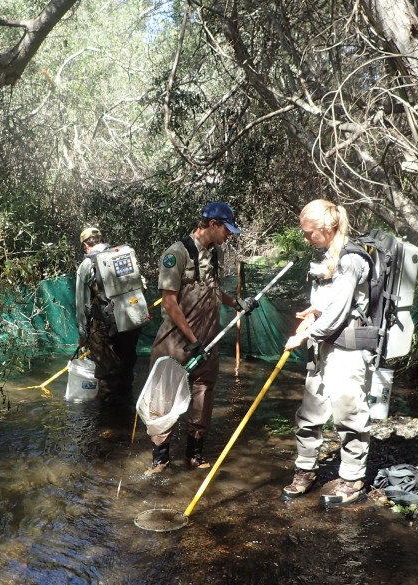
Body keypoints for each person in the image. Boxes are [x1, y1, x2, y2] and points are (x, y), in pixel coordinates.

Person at [145, 201, 258, 474]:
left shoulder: (216, 253)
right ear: (212, 224)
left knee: (203, 394)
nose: (229, 236)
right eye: (226, 230)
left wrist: (236, 303)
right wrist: (191, 339)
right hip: (177, 340)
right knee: (165, 397)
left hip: (209, 340)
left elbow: (214, 292)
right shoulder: (176, 253)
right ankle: (161, 457)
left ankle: (194, 453)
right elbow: (169, 303)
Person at [281, 199, 376, 508]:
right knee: (309, 413)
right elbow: (329, 301)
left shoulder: (352, 259)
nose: (306, 238)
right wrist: (314, 310)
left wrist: (305, 335)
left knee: (349, 415)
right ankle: (305, 472)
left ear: (326, 228)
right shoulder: (329, 257)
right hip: (323, 348)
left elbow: (338, 312)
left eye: (309, 233)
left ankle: (351, 480)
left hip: (346, 350)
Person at [75, 226, 143, 406]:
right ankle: (126, 416)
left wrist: (83, 336)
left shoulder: (86, 265)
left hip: (105, 327)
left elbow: (82, 305)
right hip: (132, 319)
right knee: (126, 371)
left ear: (84, 246)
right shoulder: (123, 254)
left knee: (108, 375)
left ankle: (108, 426)